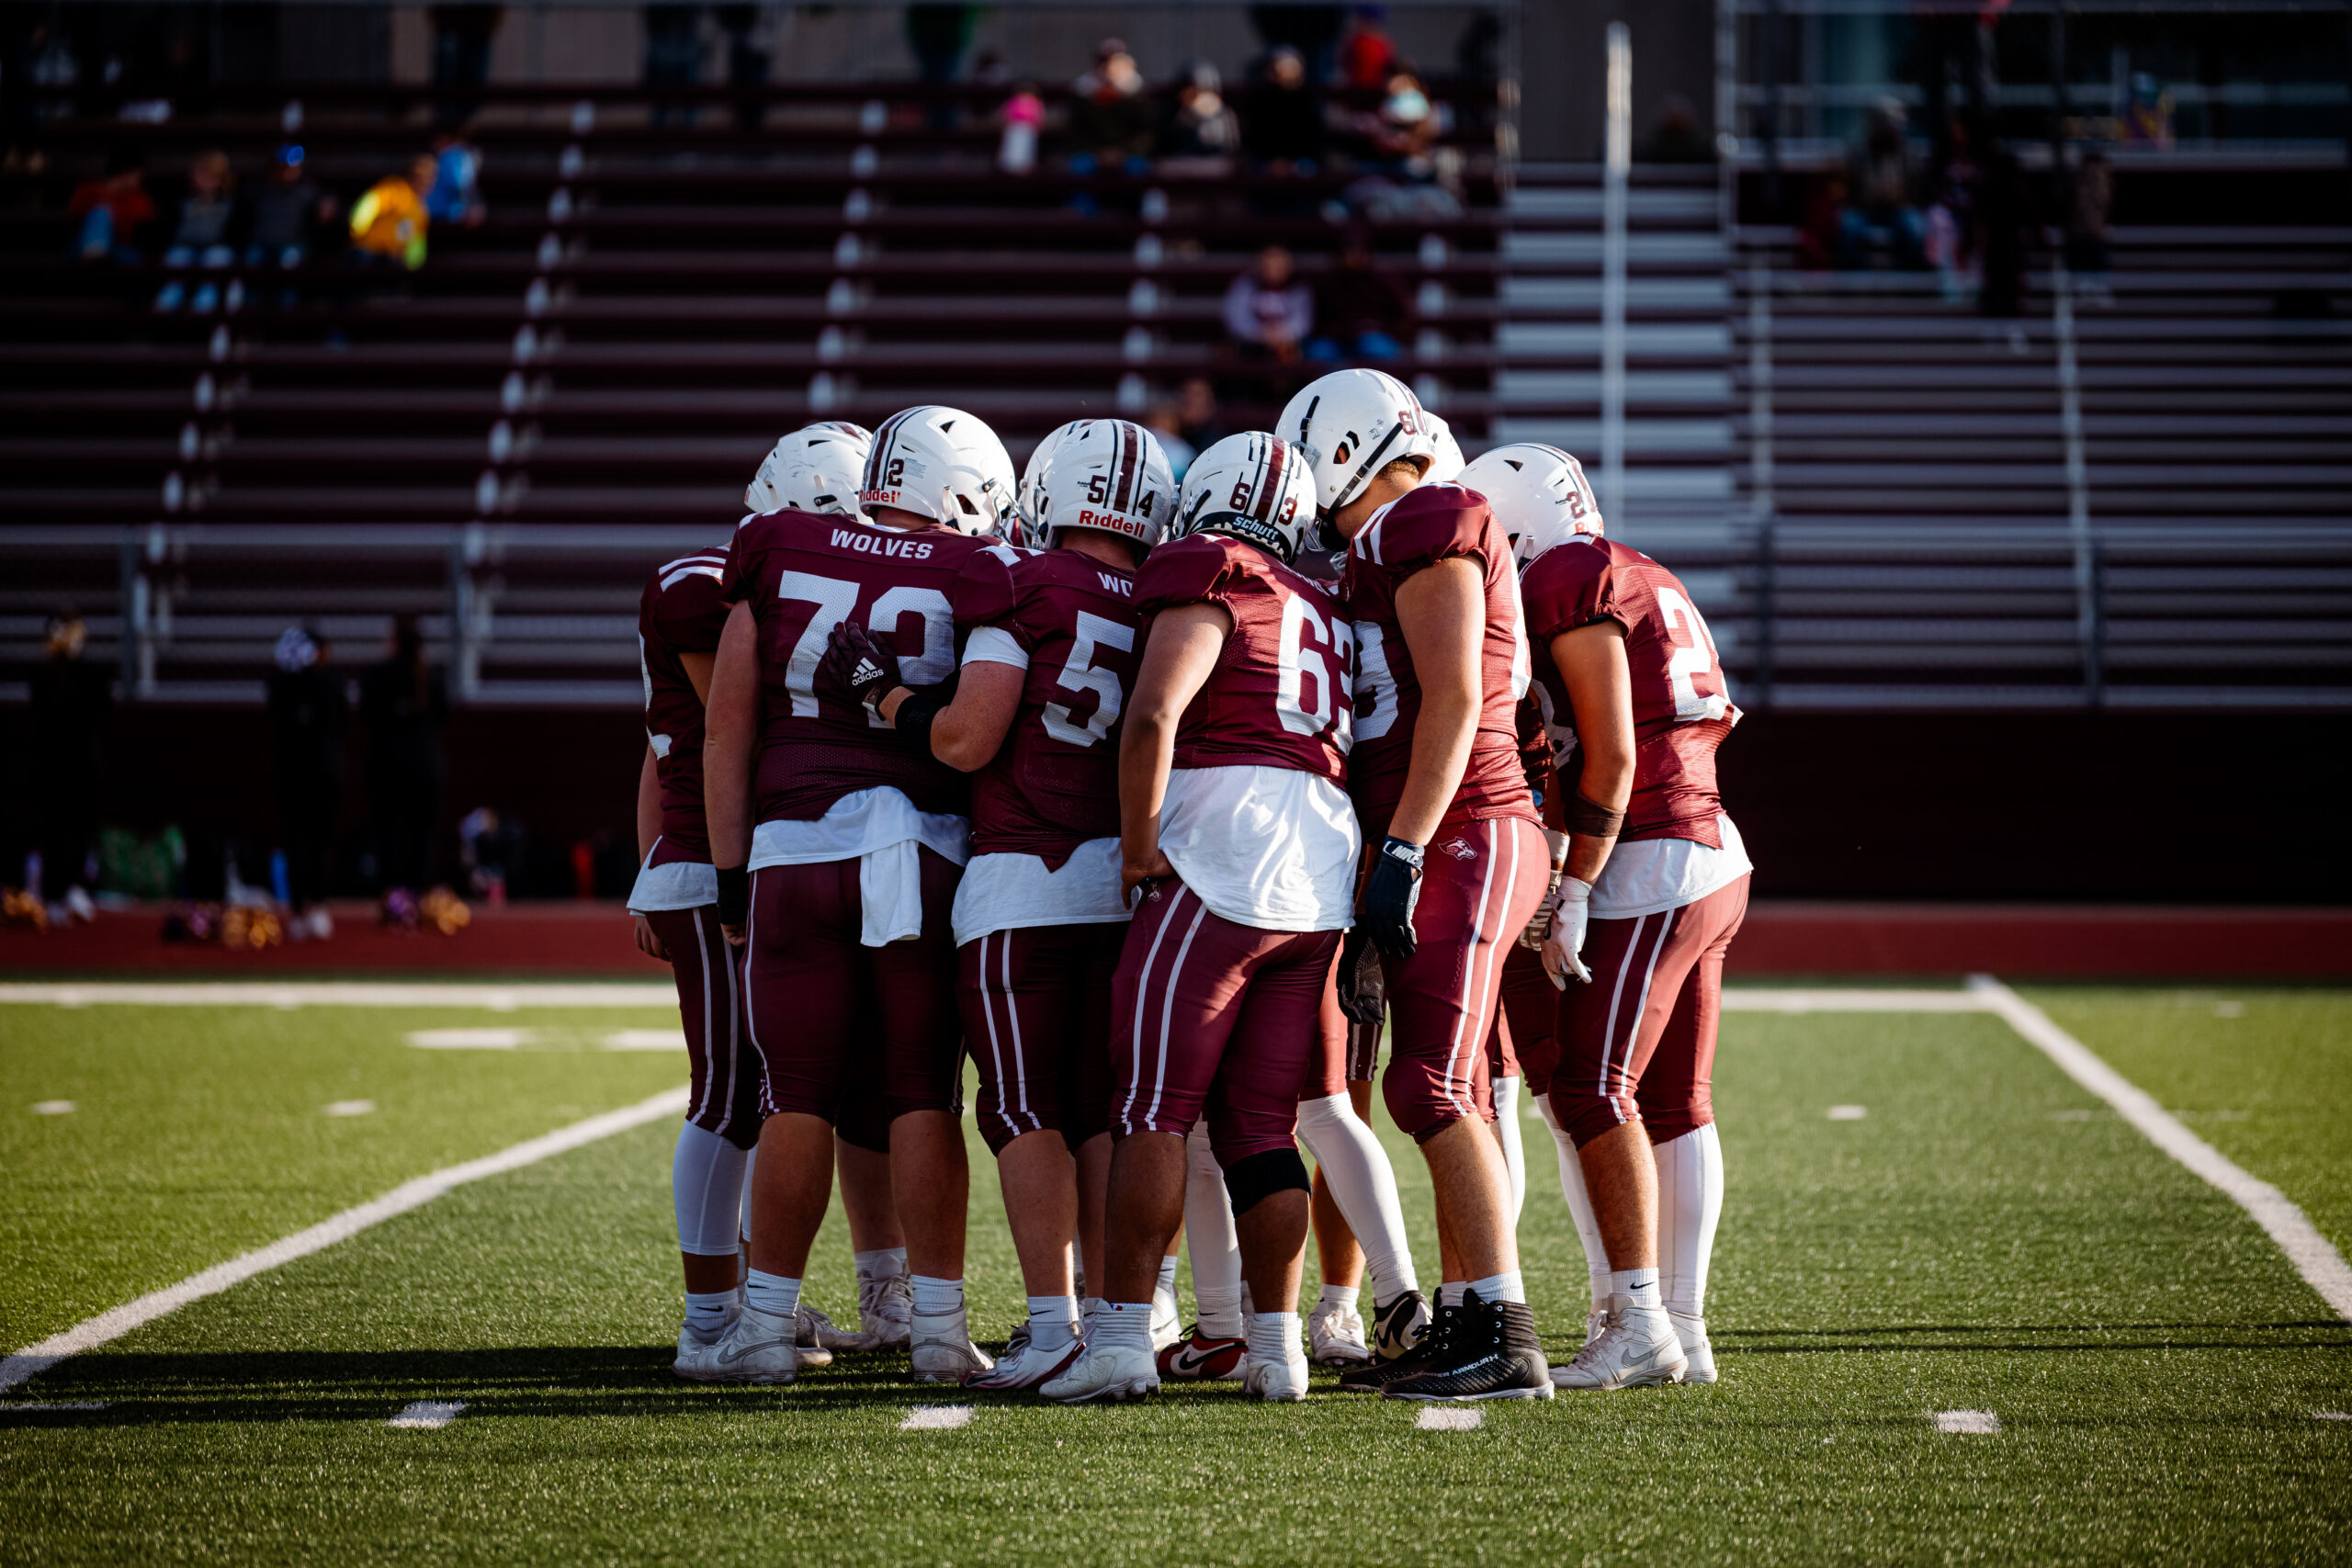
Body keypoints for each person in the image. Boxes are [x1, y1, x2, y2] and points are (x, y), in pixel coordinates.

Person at [842, 419, 1176, 1392]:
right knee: (1103, 1114)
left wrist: (890, 703)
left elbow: (964, 739)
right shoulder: (1164, 598)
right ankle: (1121, 1323)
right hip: (1126, 880)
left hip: (1022, 879)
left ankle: (1053, 1324)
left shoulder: (1020, 585)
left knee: (1024, 1111)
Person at [693, 406, 1016, 1387]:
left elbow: (726, 733)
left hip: (791, 849)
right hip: (919, 850)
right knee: (922, 1094)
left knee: (797, 1094)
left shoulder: (776, 545)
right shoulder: (976, 574)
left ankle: (759, 1328)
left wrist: (730, 873)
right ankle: (934, 1327)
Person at [1039, 431, 1357, 1405]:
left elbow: (1151, 715)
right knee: (1262, 1124)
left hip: (1227, 848)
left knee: (1151, 1111)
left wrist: (1139, 848)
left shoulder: (1209, 565)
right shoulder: (1318, 597)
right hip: (1319, 864)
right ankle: (1276, 1349)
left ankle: (1123, 1342)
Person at [1281, 368, 1551, 1402]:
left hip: (1465, 824)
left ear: (1345, 451)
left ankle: (1504, 1334)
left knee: (1429, 1084)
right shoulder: (1381, 545)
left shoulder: (1426, 518)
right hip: (1447, 828)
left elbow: (1453, 697)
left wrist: (1402, 846)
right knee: (1449, 1084)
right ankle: (1467, 1316)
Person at [1473, 440, 1750, 1393]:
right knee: (1673, 1103)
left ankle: (1632, 1320)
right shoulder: (1637, 567)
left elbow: (1615, 754)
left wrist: (1575, 882)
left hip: (1648, 854)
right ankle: (1680, 1327)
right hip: (1707, 844)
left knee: (1589, 1090)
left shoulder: (1567, 576)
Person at [644, 426, 904, 1381]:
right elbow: (724, 736)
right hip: (731, 855)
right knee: (729, 1091)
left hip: (739, 854)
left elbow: (657, 741)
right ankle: (710, 1318)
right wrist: (691, 869)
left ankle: (744, 1299)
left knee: (773, 1089)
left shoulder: (756, 579)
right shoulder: (706, 583)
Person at [28, 612, 111, 919]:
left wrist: (74, 664)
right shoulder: (45, 674)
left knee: (82, 829)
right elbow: (45, 709)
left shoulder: (86, 674)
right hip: (53, 766)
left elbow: (102, 705)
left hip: (82, 765)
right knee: (54, 830)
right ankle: (52, 892)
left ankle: (74, 886)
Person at [359, 613, 447, 899]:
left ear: (396, 641)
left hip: (388, 764)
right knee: (420, 834)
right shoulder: (430, 675)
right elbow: (442, 716)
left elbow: (367, 716)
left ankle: (392, 897)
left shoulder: (377, 674)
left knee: (389, 834)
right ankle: (418, 895)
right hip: (423, 764)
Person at [266, 624, 345, 939]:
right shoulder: (329, 683)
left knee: (298, 842)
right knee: (316, 841)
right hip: (320, 773)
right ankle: (315, 906)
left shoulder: (280, 684)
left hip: (293, 774)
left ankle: (301, 908)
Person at [153, 149, 237, 313]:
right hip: (184, 247)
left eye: (204, 175)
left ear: (218, 178)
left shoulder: (229, 204)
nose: (197, 179)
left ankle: (202, 310)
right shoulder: (182, 202)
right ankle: (165, 309)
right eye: (196, 174)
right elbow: (171, 228)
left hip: (215, 248)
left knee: (216, 259)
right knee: (177, 259)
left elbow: (234, 233)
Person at [1307, 229, 1408, 362]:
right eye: (1348, 252)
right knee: (1320, 352)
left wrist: (1374, 328)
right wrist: (1342, 331)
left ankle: (1374, 383)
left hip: (1373, 336)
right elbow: (1317, 321)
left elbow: (1401, 317)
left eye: (1357, 251)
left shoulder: (1384, 280)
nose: (1353, 257)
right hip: (1335, 340)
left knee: (1376, 347)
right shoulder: (1326, 282)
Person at [245, 144, 335, 285]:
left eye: (293, 167)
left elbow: (321, 224)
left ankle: (286, 302)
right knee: (252, 258)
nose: (288, 172)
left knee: (290, 259)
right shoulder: (259, 191)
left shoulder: (308, 192)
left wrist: (325, 214)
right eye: (284, 167)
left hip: (292, 245)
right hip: (261, 243)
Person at [1068, 39, 1156, 176]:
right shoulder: (1083, 92)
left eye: (1115, 60)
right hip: (1092, 153)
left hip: (1129, 154)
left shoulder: (1138, 93)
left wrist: (1122, 152)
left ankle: (1133, 198)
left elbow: (1146, 133)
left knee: (1139, 169)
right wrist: (1099, 153)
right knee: (1080, 168)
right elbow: (1076, 132)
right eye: (1103, 60)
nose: (1108, 66)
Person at [1222, 244, 1313, 366]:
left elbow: (1303, 322)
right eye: (1269, 262)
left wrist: (1282, 335)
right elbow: (1237, 320)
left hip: (1288, 346)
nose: (1273, 267)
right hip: (1250, 346)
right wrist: (1261, 334)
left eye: (1279, 263)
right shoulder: (1244, 286)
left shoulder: (1299, 289)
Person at [1240, 46, 1325, 175]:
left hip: (1303, 162)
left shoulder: (1308, 101)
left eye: (1292, 68)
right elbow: (1254, 138)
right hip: (1265, 162)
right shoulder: (1259, 101)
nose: (1286, 73)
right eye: (1281, 68)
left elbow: (1314, 139)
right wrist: (1273, 163)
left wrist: (1292, 164)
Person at [68, 145, 154, 264]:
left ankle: (98, 259)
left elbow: (138, 235)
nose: (139, 180)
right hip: (83, 248)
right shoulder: (89, 190)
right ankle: (96, 256)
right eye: (137, 175)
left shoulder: (140, 200)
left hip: (119, 250)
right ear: (125, 172)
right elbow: (74, 220)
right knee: (100, 213)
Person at [348, 155, 435, 271]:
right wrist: (356, 228)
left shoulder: (420, 209)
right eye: (421, 177)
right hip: (368, 250)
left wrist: (413, 263)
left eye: (429, 178)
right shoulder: (394, 189)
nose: (426, 182)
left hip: (391, 257)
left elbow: (416, 241)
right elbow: (371, 203)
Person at [1160, 61, 1240, 175]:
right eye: (1188, 90)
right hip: (1182, 168)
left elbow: (1231, 150)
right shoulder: (1174, 115)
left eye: (1198, 91)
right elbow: (1167, 149)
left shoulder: (1224, 115)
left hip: (1216, 168)